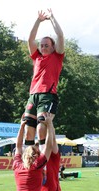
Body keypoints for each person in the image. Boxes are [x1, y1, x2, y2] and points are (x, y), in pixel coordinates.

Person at [23, 9, 64, 152]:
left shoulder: (57, 56)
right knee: (28, 130)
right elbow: (30, 40)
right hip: (33, 95)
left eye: (47, 45)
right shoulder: (36, 57)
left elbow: (60, 35)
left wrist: (52, 18)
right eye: (42, 45)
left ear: (53, 47)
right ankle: (27, 161)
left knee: (41, 127)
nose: (43, 47)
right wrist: (38, 21)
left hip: (48, 95)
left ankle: (43, 160)